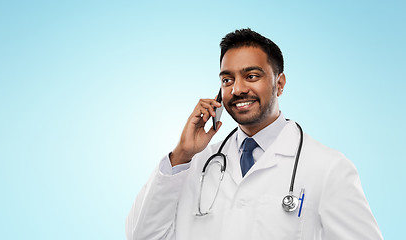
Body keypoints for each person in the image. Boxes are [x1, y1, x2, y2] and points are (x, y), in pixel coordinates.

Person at [125, 28, 382, 239]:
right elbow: (142, 235)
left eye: (251, 75)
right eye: (227, 80)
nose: (237, 89)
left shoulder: (328, 169)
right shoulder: (193, 165)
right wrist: (181, 155)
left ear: (279, 83)